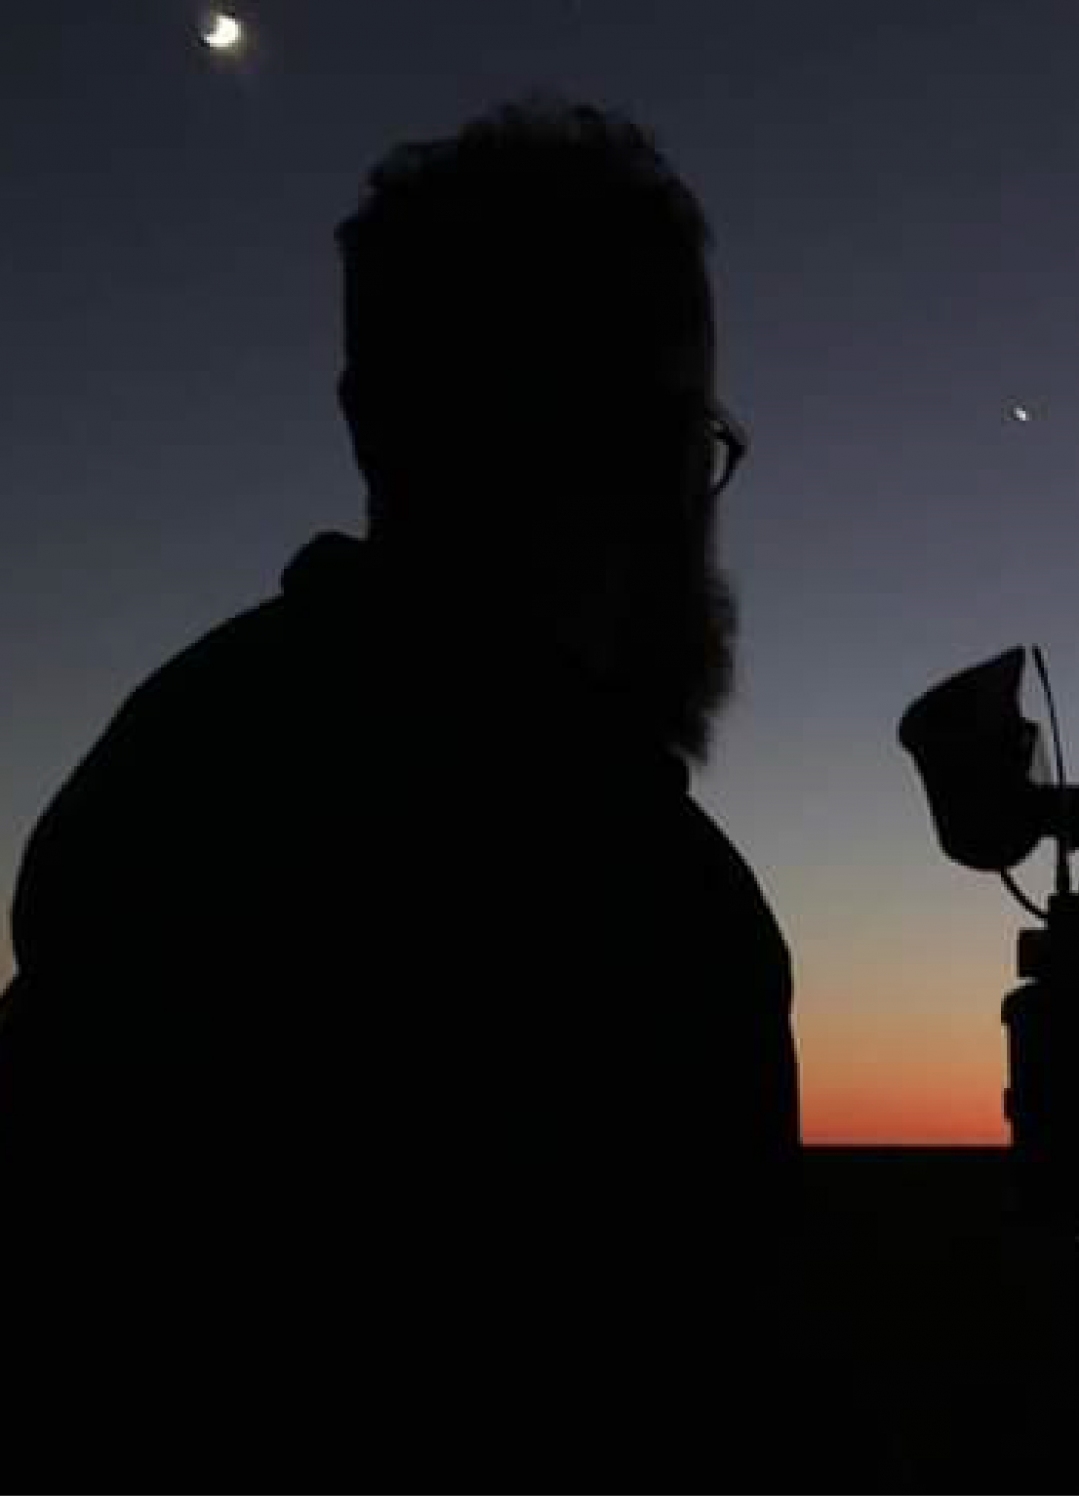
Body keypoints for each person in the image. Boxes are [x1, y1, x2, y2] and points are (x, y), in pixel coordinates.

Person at [0, 96, 818, 1485]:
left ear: (368, 419)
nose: (697, 494)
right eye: (682, 433)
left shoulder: (182, 761)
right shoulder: (638, 903)